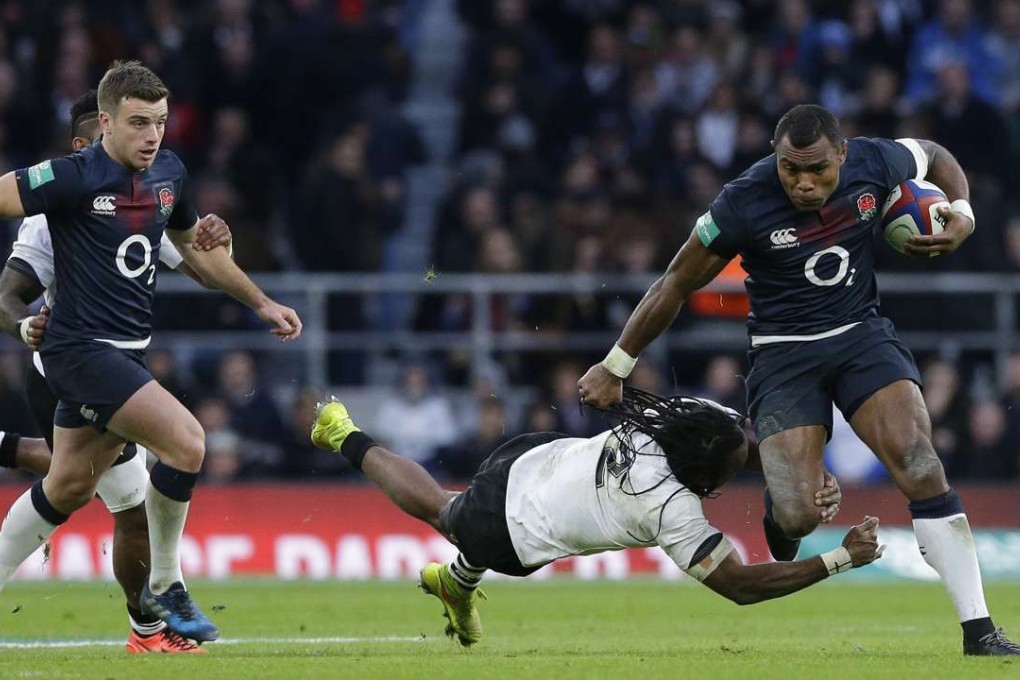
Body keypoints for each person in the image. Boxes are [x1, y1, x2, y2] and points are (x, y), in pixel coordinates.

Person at [577, 104, 1019, 656]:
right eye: (791, 169)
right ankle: (781, 516)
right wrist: (616, 363)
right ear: (775, 156)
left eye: (818, 171)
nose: (804, 183)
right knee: (800, 513)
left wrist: (963, 210)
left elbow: (933, 156)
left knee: (918, 458)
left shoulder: (875, 161)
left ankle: (979, 632)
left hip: (861, 334)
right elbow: (675, 282)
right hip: (784, 356)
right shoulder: (741, 201)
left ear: (842, 154)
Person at [0, 61, 301, 643]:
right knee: (187, 442)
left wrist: (261, 303)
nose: (152, 136)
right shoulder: (69, 177)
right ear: (106, 124)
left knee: (67, 487)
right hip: (78, 351)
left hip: (125, 354)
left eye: (160, 122)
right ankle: (165, 585)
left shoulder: (168, 175)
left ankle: (147, 612)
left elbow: (200, 256)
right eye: (139, 123)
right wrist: (19, 324)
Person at [308, 388, 870, 647]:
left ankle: (456, 585)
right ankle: (343, 433)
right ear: (701, 477)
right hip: (515, 528)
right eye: (724, 478)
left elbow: (745, 443)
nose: (735, 476)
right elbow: (742, 588)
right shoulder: (668, 507)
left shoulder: (683, 418)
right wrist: (842, 558)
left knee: (465, 540)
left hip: (533, 454)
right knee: (443, 508)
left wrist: (802, 478)